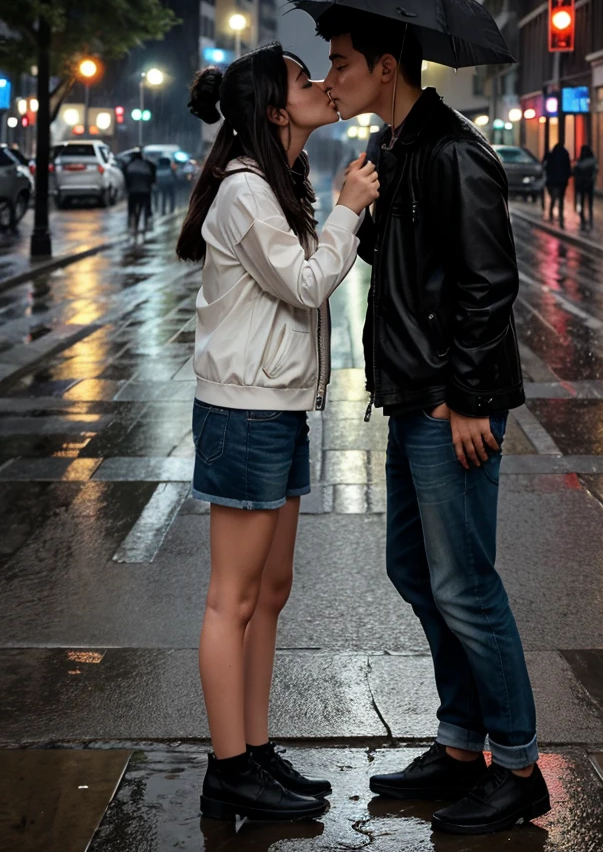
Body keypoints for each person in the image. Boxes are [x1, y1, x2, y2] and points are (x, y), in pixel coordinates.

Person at [318, 8, 550, 836]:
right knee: (414, 572)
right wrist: (369, 205)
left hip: (447, 403)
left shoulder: (456, 152)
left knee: (465, 583)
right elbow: (411, 263)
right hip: (409, 393)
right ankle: (459, 746)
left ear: (387, 67)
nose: (330, 75)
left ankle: (517, 766)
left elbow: (490, 283)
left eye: (341, 62)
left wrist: (471, 399)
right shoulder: (396, 149)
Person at [176, 43, 379, 824]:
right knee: (232, 598)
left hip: (278, 405)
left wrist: (335, 206)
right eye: (305, 79)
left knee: (272, 591)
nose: (325, 85)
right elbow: (304, 282)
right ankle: (230, 768)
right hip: (244, 411)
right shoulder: (246, 191)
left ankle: (255, 750)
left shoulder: (278, 182)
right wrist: (349, 208)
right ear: (272, 108)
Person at [123, 147, 155, 243]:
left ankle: (131, 223)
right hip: (144, 191)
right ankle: (145, 220)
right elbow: (151, 179)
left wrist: (127, 188)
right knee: (143, 207)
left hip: (133, 191)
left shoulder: (129, 166)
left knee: (132, 208)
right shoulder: (147, 165)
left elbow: (126, 179)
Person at [544, 142, 571, 228]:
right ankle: (560, 213)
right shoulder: (565, 155)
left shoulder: (552, 156)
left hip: (553, 181)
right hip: (562, 181)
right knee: (561, 198)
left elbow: (547, 167)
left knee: (554, 198)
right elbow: (568, 168)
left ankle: (551, 213)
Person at [573, 144, 597, 230]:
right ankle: (590, 216)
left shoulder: (580, 162)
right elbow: (595, 171)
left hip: (582, 184)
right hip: (590, 183)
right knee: (590, 202)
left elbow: (576, 172)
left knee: (582, 200)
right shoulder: (592, 161)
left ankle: (582, 216)